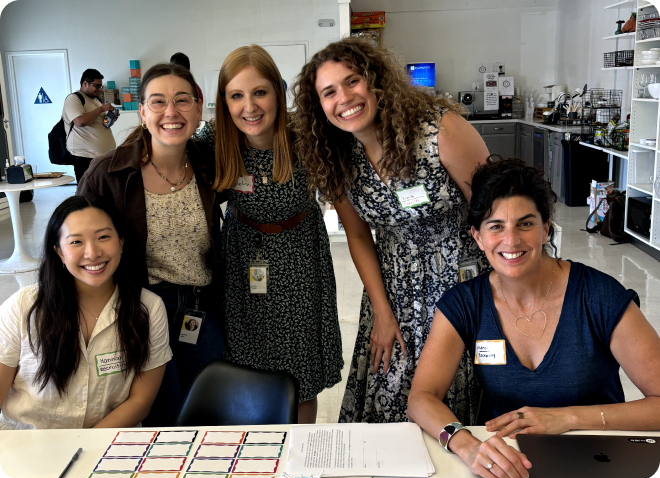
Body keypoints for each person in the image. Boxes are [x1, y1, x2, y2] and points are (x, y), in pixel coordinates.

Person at [407, 158, 660, 478]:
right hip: (507, 462)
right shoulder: (465, 302)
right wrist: (465, 444)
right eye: (496, 226)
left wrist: (567, 418)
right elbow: (420, 398)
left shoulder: (599, 296)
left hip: (597, 458)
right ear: (478, 236)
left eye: (525, 224)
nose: (511, 241)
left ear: (545, 230)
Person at [291, 37, 489, 424]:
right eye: (328, 92)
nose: (344, 98)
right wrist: (382, 311)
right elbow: (359, 235)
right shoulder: (337, 159)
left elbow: (497, 212)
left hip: (464, 281)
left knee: (466, 390)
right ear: (319, 107)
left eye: (352, 81)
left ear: (376, 80)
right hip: (395, 288)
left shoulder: (439, 132)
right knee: (392, 393)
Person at [194, 44, 343, 424]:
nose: (250, 107)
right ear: (223, 101)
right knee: (245, 361)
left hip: (298, 258)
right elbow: (163, 152)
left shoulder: (305, 135)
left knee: (298, 372)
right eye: (236, 95)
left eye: (259, 92)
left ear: (278, 91)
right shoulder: (216, 139)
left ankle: (301, 457)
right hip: (244, 258)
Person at [77, 63, 224, 426]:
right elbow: (77, 246)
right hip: (140, 310)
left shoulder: (210, 165)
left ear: (197, 107)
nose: (171, 112)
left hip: (199, 309)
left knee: (206, 409)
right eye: (157, 102)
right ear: (142, 112)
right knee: (160, 418)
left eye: (182, 100)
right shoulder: (108, 173)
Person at [0, 195, 171, 429]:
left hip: (107, 445)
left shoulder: (149, 308)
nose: (92, 253)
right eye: (76, 242)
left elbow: (140, 401)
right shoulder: (23, 306)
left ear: (121, 242)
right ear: (59, 252)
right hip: (27, 446)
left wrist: (85, 448)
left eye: (103, 237)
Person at [62, 69, 118, 182]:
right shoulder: (74, 99)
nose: (98, 90)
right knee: (87, 193)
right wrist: (101, 109)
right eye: (96, 86)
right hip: (85, 156)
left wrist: (111, 119)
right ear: (85, 83)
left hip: (101, 155)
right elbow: (80, 122)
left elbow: (100, 125)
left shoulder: (95, 100)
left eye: (100, 87)